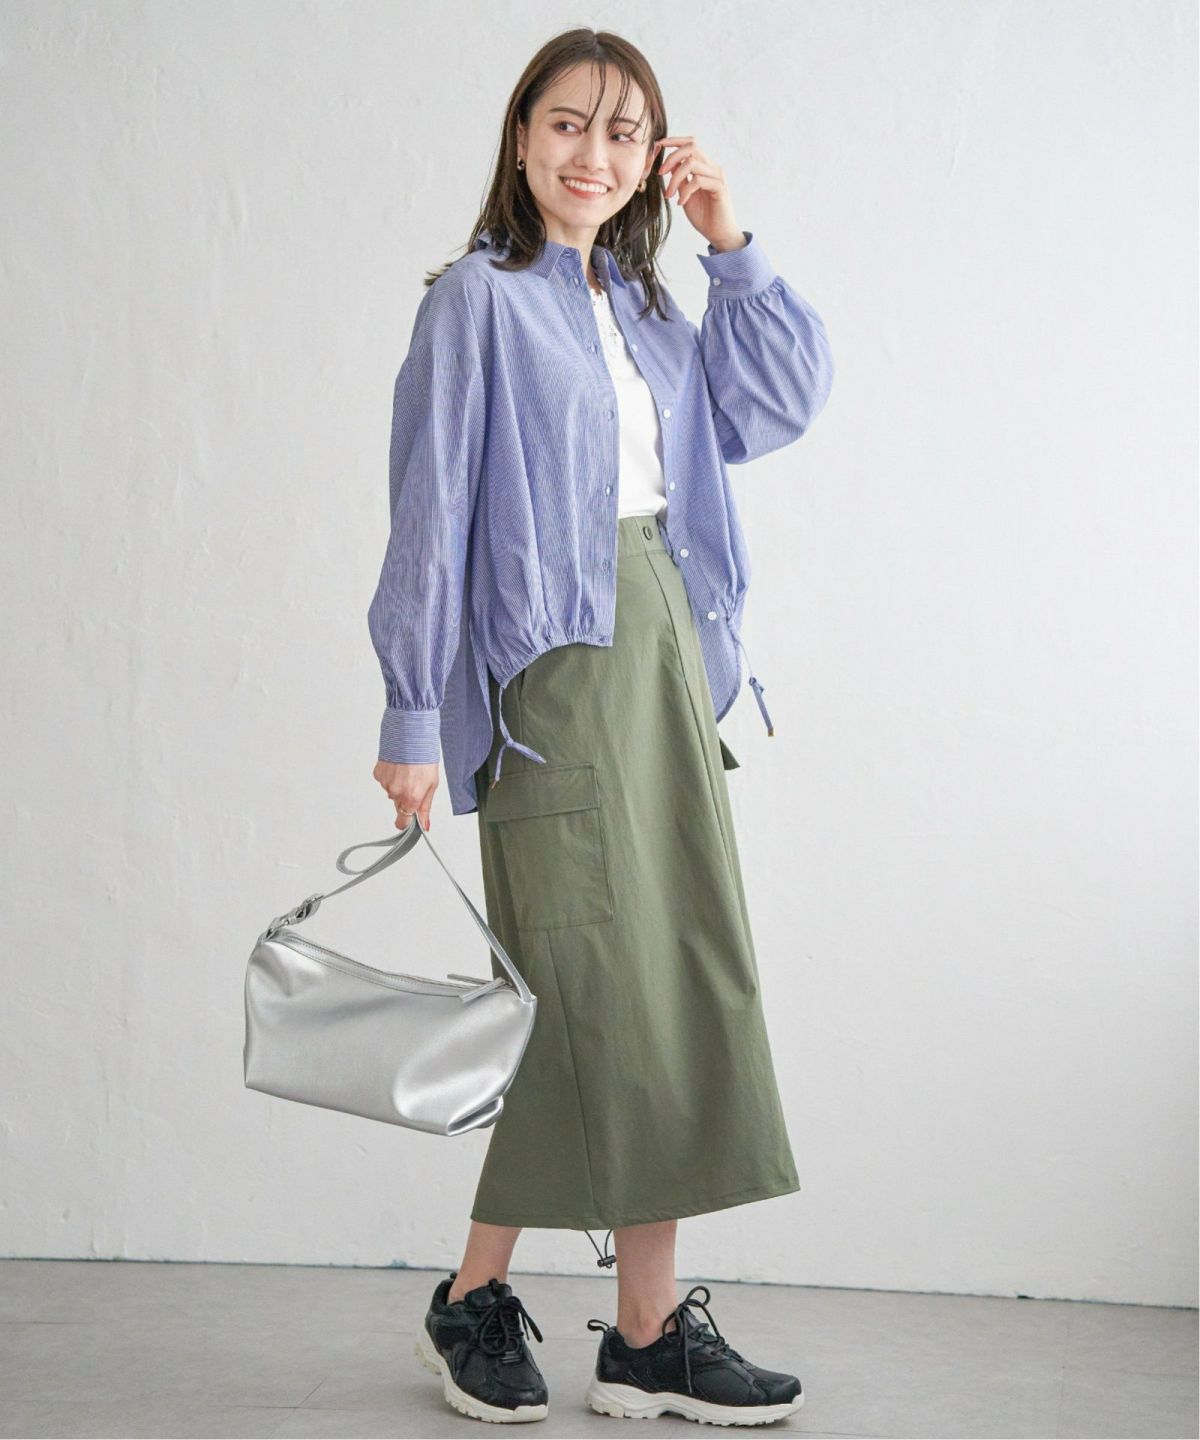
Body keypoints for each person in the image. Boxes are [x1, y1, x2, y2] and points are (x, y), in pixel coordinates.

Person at [368, 26, 834, 1428]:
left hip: (670, 663)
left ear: (651, 157)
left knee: (674, 983)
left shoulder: (646, 306)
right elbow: (430, 512)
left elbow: (778, 403)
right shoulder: (476, 304)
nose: (594, 153)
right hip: (551, 687)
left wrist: (727, 240)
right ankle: (479, 1299)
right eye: (569, 123)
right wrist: (410, 707)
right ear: (523, 137)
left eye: (624, 131)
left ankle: (642, 1332)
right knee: (578, 995)